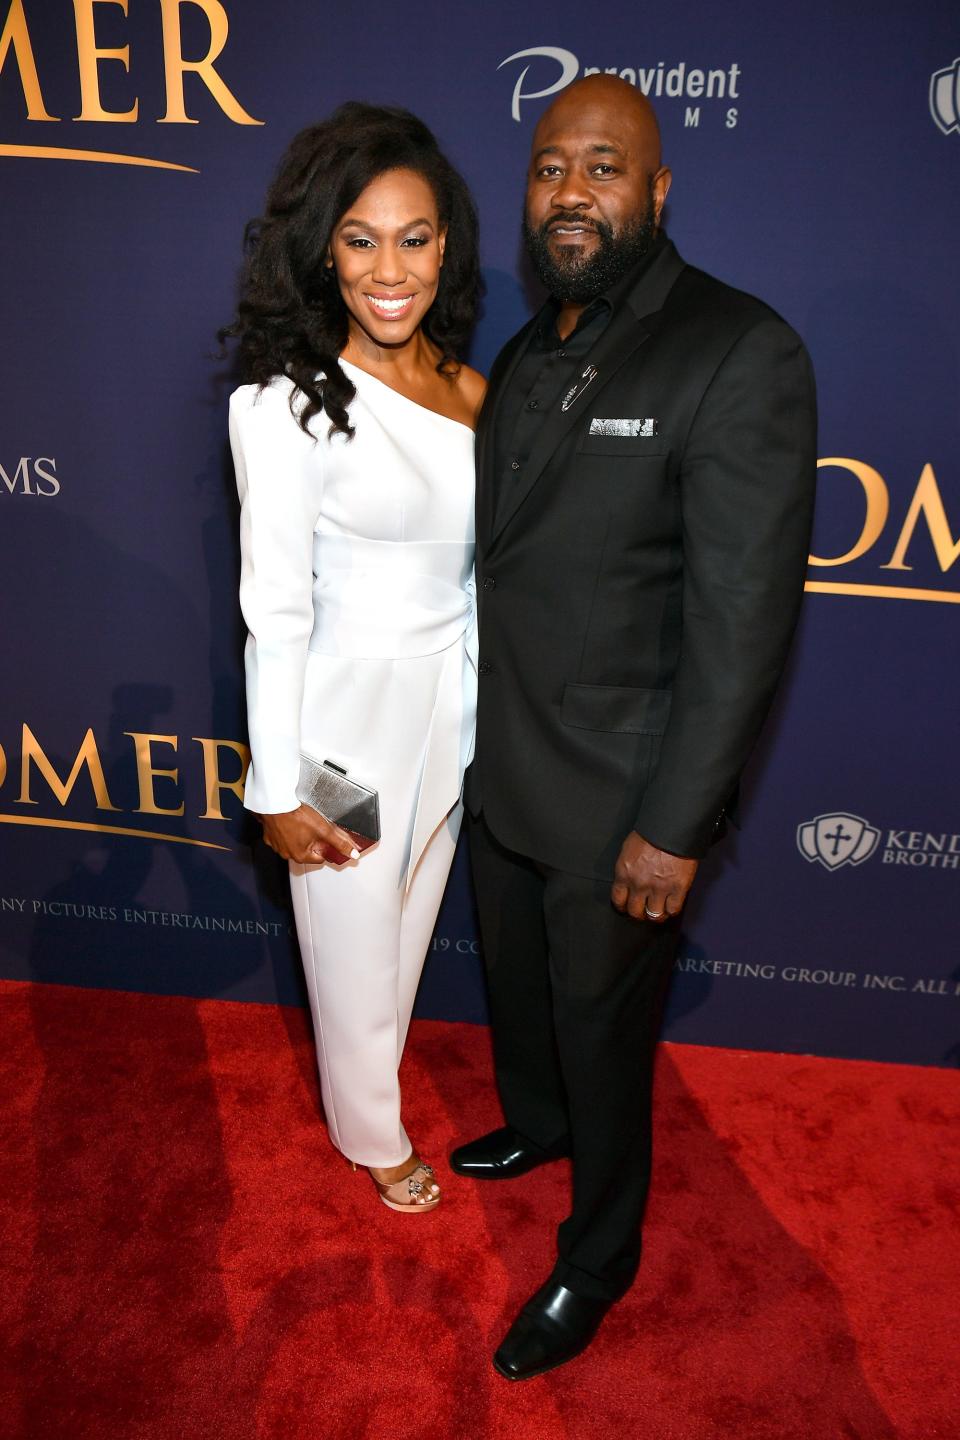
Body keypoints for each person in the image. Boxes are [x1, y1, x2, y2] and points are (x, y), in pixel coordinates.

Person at [452, 74, 817, 1376]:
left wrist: (675, 826)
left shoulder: (739, 349)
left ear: (659, 191)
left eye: (604, 168)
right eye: (551, 168)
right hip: (501, 774)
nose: (572, 192)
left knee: (608, 1041)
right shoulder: (530, 347)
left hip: (621, 801)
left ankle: (597, 1256)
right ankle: (536, 1126)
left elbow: (741, 620)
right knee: (523, 1001)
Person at [223, 104, 484, 1213]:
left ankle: (369, 1097)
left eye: (414, 238)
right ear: (323, 249)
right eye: (361, 238)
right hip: (345, 732)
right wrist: (276, 787)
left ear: (446, 247)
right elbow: (275, 610)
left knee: (410, 930)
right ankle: (372, 1134)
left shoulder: (477, 395)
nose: (391, 268)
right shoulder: (284, 407)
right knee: (349, 944)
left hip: (455, 710)